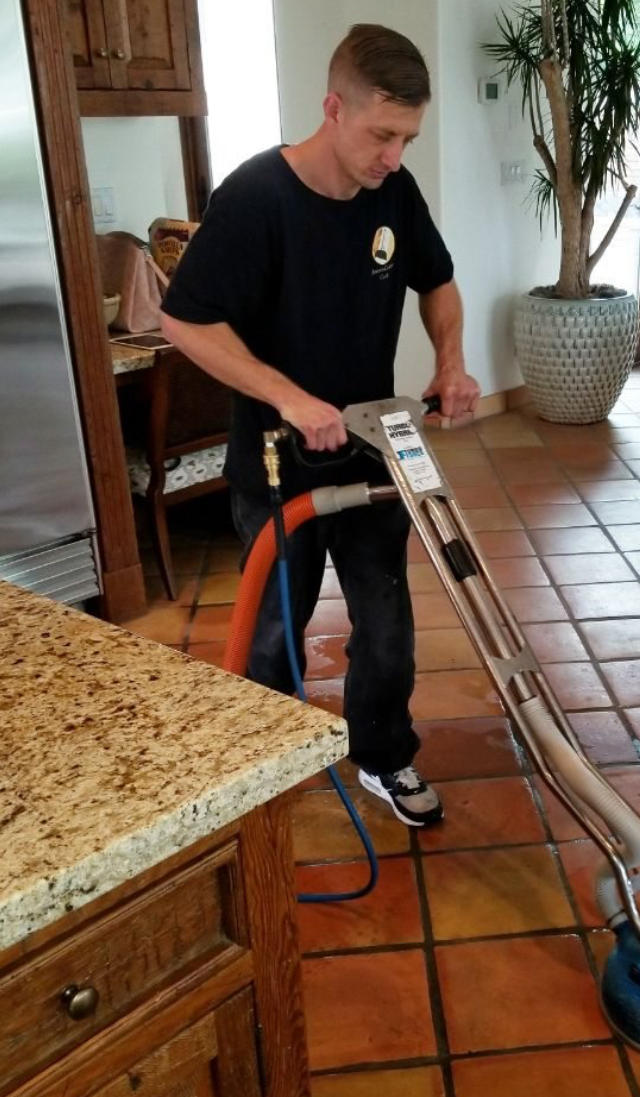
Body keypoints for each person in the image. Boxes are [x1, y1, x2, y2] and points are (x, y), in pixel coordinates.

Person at [161, 24, 480, 827]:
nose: (393, 156)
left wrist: (449, 361)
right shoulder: (256, 198)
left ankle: (383, 754)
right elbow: (186, 322)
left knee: (387, 622)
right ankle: (264, 767)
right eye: (381, 134)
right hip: (277, 460)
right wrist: (289, 398)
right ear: (333, 108)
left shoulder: (392, 195)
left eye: (406, 137)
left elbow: (437, 281)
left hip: (371, 451)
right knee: (274, 626)